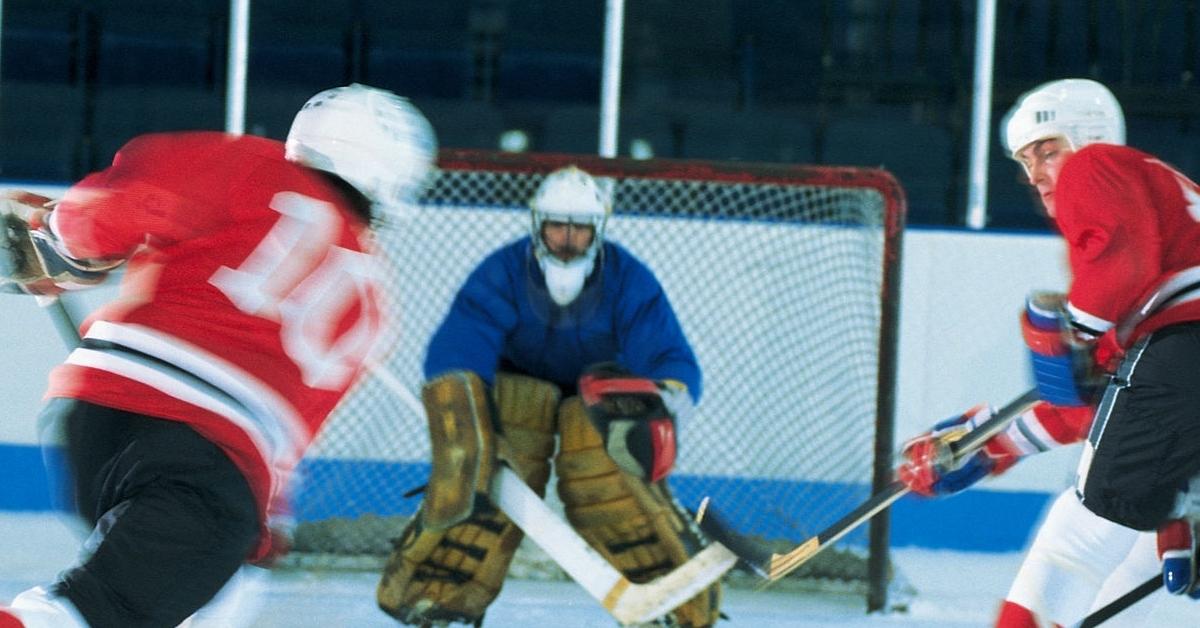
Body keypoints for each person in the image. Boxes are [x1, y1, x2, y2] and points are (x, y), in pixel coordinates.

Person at [0, 83, 436, 628]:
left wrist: (59, 239)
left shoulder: (252, 166)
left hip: (96, 414)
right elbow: (293, 428)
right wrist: (265, 519)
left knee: (202, 608)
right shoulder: (372, 303)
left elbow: (138, 187)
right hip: (215, 464)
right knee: (82, 616)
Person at [896, 77, 1200, 627]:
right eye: (1024, 160)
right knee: (1131, 541)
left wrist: (1071, 334)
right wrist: (988, 442)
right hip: (1184, 381)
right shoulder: (1163, 204)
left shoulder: (1096, 165)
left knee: (1077, 536)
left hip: (1185, 355)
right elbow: (1111, 403)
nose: (1035, 172)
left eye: (1046, 149)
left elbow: (1122, 274)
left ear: (1087, 136)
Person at [375, 166, 722, 626]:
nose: (567, 238)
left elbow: (667, 355)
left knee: (612, 488)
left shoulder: (628, 278)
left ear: (598, 230)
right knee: (481, 482)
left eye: (580, 227)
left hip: (598, 399)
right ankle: (441, 597)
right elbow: (462, 342)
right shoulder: (502, 271)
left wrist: (664, 401)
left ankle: (669, 604)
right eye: (558, 225)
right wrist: (460, 401)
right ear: (538, 224)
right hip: (516, 395)